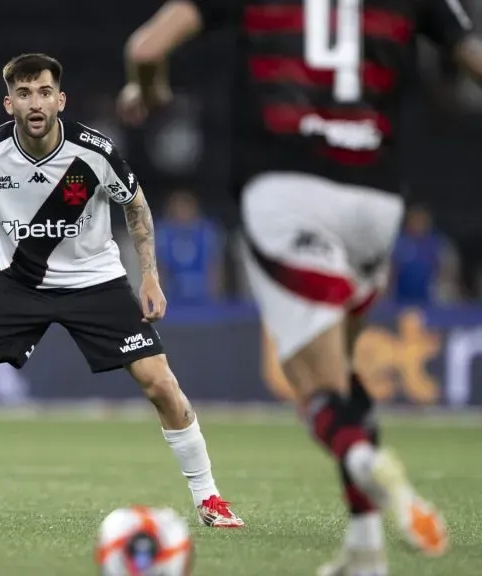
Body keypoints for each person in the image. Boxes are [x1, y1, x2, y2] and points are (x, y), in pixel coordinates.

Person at [120, 0, 482, 570]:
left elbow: (144, 48)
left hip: (287, 189)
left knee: (314, 393)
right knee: (342, 373)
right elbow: (471, 61)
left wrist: (151, 90)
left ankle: (369, 463)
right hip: (377, 198)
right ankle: (364, 546)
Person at [0, 53, 243, 528]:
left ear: (60, 99)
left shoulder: (93, 152)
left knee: (160, 384)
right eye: (24, 93)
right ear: (9, 103)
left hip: (95, 281)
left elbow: (136, 206)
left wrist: (150, 275)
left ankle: (209, 497)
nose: (35, 102)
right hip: (18, 283)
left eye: (43, 92)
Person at [154, 189, 223, 304]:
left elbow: (214, 267)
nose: (182, 211)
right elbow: (159, 269)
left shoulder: (207, 232)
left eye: (186, 206)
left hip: (203, 292)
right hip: (173, 293)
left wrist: (215, 300)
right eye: (178, 207)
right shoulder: (163, 232)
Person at [391, 204, 460, 305]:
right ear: (408, 221)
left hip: (429, 298)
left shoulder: (438, 243)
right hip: (399, 297)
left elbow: (449, 269)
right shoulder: (397, 241)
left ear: (428, 222)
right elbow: (389, 269)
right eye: (415, 220)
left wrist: (443, 288)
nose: (418, 223)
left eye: (421, 220)